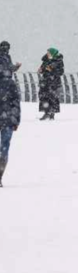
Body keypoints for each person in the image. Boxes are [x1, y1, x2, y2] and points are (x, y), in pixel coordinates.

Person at [0, 41, 22, 187]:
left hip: (5, 117)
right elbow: (16, 104)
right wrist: (15, 120)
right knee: (4, 146)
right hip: (8, 118)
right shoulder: (12, 84)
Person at [38, 47, 64, 121]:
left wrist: (52, 71)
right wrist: (41, 70)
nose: (47, 54)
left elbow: (61, 72)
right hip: (45, 82)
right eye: (47, 53)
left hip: (54, 82)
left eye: (49, 53)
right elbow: (42, 68)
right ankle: (46, 112)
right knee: (43, 96)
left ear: (53, 53)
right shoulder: (46, 60)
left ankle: (51, 113)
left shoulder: (58, 61)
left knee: (53, 97)